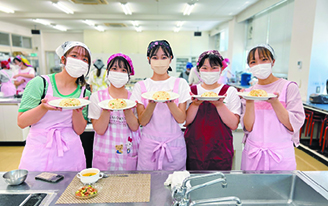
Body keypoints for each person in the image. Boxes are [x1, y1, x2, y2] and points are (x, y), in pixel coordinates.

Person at [17, 41, 92, 171]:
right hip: (39, 150)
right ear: (63, 59)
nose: (79, 61)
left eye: (84, 59)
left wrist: (77, 110)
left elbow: (79, 130)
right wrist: (43, 108)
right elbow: (22, 122)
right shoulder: (40, 83)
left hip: (71, 152)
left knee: (71, 188)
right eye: (74, 56)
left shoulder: (84, 92)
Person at [240, 44, 305, 171]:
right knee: (251, 190)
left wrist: (275, 102)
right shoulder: (249, 92)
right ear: (250, 66)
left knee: (281, 190)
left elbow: (293, 125)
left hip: (280, 155)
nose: (259, 64)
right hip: (254, 153)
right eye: (253, 62)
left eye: (264, 59)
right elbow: (248, 127)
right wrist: (249, 102)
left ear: (272, 62)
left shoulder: (288, 87)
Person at [131, 40, 191, 170]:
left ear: (170, 59)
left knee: (175, 185)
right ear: (149, 60)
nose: (160, 61)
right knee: (147, 186)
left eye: (164, 57)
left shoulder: (180, 83)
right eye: (155, 57)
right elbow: (143, 121)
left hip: (174, 145)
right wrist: (152, 103)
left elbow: (181, 119)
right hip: (149, 147)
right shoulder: (141, 86)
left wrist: (169, 101)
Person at [184, 50, 241, 170]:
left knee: (218, 185)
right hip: (194, 149)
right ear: (198, 70)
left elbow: (234, 124)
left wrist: (220, 105)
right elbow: (186, 121)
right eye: (204, 68)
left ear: (221, 69)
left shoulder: (230, 91)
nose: (209, 72)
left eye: (214, 67)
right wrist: (195, 105)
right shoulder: (191, 91)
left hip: (220, 150)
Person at [88, 53, 140, 170]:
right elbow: (100, 130)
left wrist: (126, 107)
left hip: (129, 152)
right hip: (105, 153)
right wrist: (106, 108)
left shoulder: (134, 98)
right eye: (114, 69)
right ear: (108, 71)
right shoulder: (97, 97)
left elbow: (135, 127)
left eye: (123, 70)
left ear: (128, 75)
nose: (118, 73)